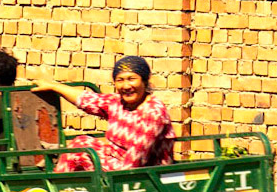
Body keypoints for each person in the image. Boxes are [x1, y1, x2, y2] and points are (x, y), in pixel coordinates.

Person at [32, 56, 174, 174]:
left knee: (80, 152)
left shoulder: (153, 113)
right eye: (120, 80)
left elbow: (134, 162)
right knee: (81, 143)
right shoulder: (118, 102)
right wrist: (54, 86)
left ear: (144, 81)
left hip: (141, 174)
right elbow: (86, 99)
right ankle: (61, 188)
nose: (126, 86)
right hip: (116, 162)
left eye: (132, 79)